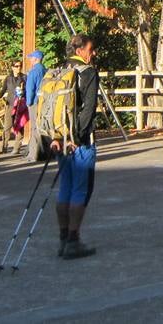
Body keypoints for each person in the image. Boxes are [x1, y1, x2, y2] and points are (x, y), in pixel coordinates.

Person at [49, 33, 99, 260]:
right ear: (80, 51)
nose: (93, 53)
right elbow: (88, 109)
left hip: (59, 137)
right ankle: (73, 240)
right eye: (91, 49)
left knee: (65, 189)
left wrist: (57, 136)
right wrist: (78, 137)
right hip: (79, 142)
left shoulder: (59, 71)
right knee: (81, 190)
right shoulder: (87, 73)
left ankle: (63, 239)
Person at [0, 59, 28, 155]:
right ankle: (4, 146)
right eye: (16, 66)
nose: (18, 68)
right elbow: (4, 89)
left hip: (20, 104)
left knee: (19, 125)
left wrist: (23, 93)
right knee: (7, 126)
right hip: (10, 103)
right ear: (12, 67)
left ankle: (17, 147)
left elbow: (27, 90)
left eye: (20, 66)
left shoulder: (24, 77)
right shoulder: (8, 78)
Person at [24, 50, 46, 162]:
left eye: (31, 58)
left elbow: (30, 89)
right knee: (42, 126)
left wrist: (28, 102)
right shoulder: (45, 70)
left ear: (36, 59)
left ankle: (33, 154)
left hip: (35, 102)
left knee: (34, 127)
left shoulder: (33, 72)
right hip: (44, 101)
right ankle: (43, 152)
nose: (30, 60)